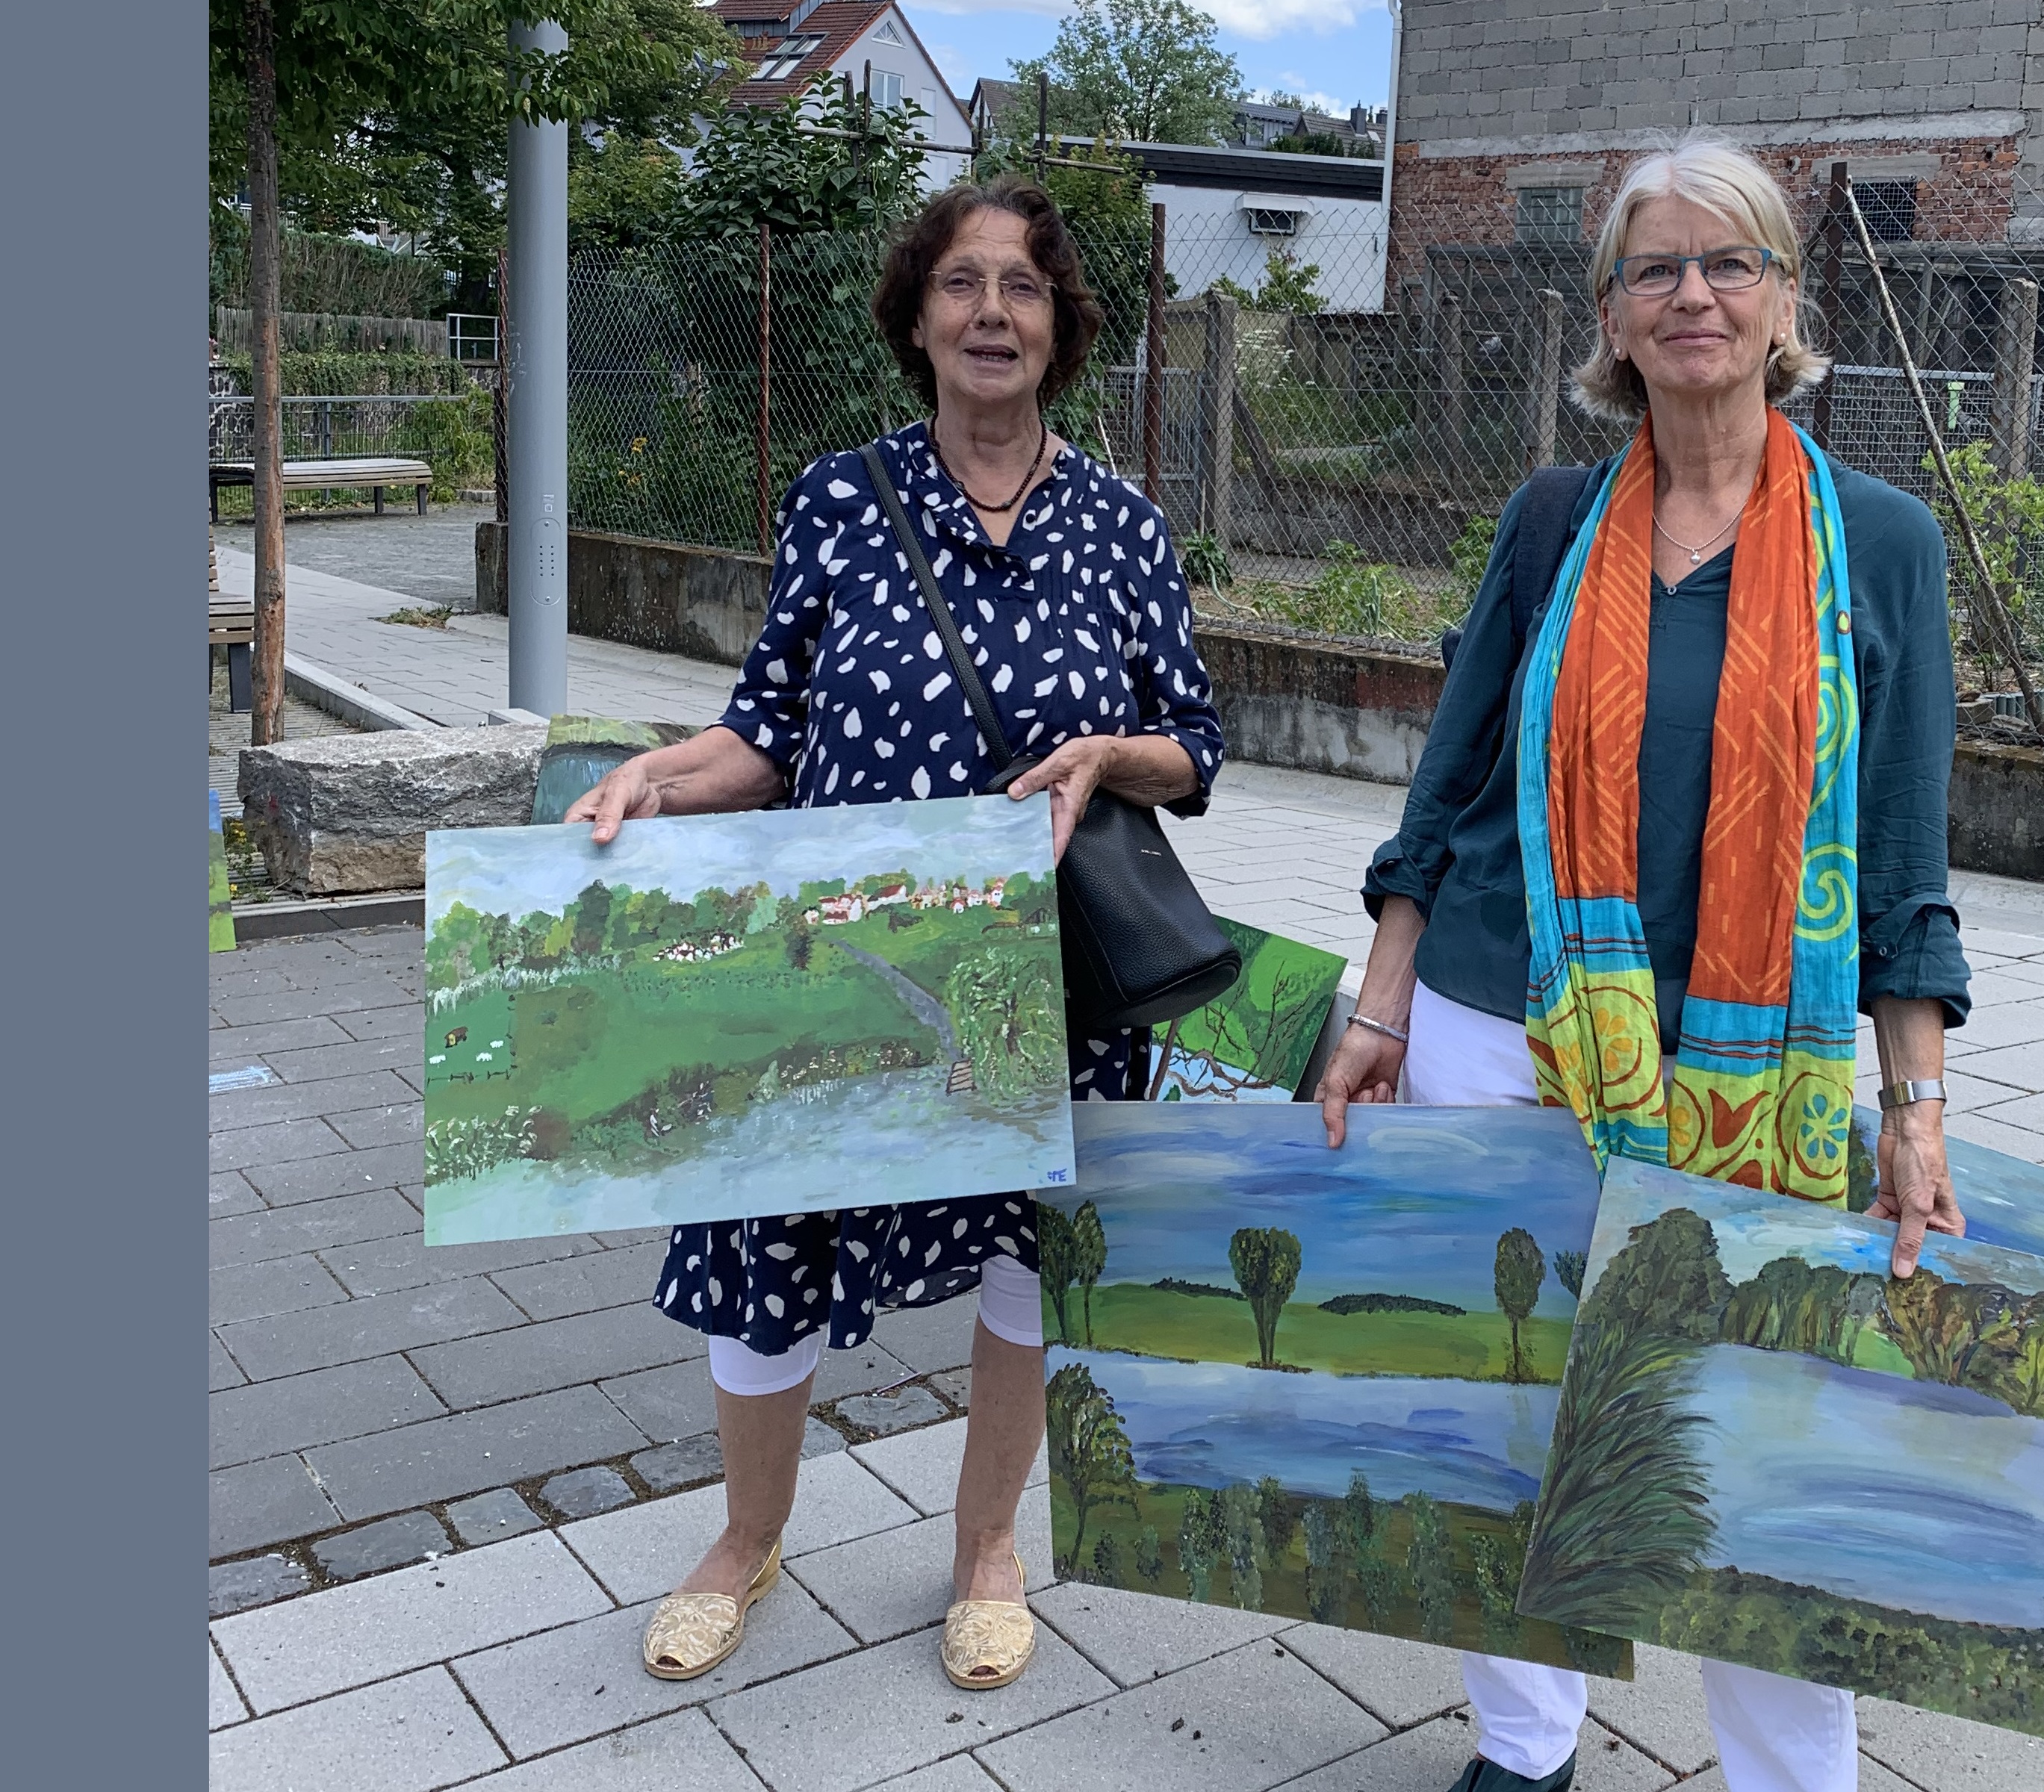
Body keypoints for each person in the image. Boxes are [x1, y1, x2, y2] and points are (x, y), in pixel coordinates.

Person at [1313, 132, 1973, 1792]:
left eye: (1728, 261)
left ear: (1782, 303)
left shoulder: (1878, 544)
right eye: (1656, 267)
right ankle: (1524, 1750)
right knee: (1518, 1414)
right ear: (1610, 318)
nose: (1693, 293)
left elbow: (1900, 856)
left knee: (1757, 1446)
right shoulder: (1551, 520)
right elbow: (1451, 779)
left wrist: (1918, 1105)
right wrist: (1376, 1006)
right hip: (1501, 1021)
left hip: (1761, 1068)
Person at [564, 174, 1223, 1691]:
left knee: (1020, 1262)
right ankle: (747, 1538)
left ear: (1062, 329)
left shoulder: (1124, 526)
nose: (993, 312)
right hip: (841, 963)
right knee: (762, 1238)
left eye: (1025, 288)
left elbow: (1195, 741)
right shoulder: (840, 499)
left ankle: (987, 1546)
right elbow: (767, 735)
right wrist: (660, 778)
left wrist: (1113, 760)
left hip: (1044, 977)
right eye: (963, 284)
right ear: (918, 318)